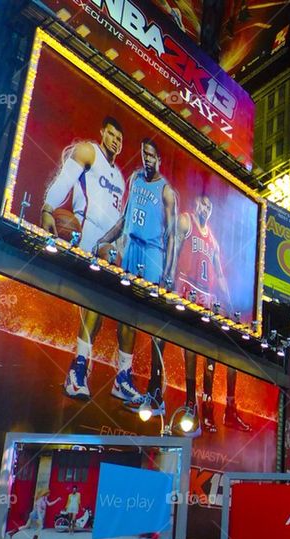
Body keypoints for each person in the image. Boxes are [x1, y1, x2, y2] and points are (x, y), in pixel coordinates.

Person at [43, 116, 144, 406]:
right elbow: (65, 179)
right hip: (87, 234)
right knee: (96, 302)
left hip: (109, 245)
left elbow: (119, 223)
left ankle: (121, 377)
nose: (115, 140)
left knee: (127, 311)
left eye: (119, 138)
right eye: (111, 135)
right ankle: (78, 368)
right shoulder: (89, 151)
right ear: (102, 133)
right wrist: (48, 207)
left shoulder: (120, 180)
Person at [95, 138, 178, 411]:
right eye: (144, 154)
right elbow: (125, 220)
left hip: (153, 256)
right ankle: (123, 378)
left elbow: (173, 236)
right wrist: (102, 240)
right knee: (126, 316)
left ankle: (156, 389)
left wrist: (168, 275)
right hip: (131, 250)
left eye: (152, 155)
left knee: (154, 324)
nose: (147, 159)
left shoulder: (166, 192)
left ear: (160, 159)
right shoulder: (135, 180)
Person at [172, 177, 248, 433]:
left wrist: (227, 302)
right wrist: (168, 277)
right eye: (202, 205)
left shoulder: (213, 240)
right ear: (195, 205)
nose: (204, 209)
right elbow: (173, 246)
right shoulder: (186, 220)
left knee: (210, 352)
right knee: (190, 347)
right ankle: (190, 400)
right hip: (186, 288)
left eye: (209, 206)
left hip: (207, 295)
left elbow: (220, 273)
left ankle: (206, 404)